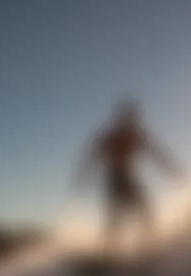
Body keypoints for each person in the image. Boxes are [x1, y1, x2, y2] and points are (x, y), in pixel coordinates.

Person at [76, 97, 184, 254]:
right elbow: (94, 155)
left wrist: (171, 169)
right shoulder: (112, 136)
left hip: (129, 177)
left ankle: (150, 245)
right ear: (122, 118)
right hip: (114, 179)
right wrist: (85, 176)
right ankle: (109, 252)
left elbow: (156, 153)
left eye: (133, 118)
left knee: (145, 209)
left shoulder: (138, 135)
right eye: (127, 118)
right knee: (116, 216)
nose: (131, 121)